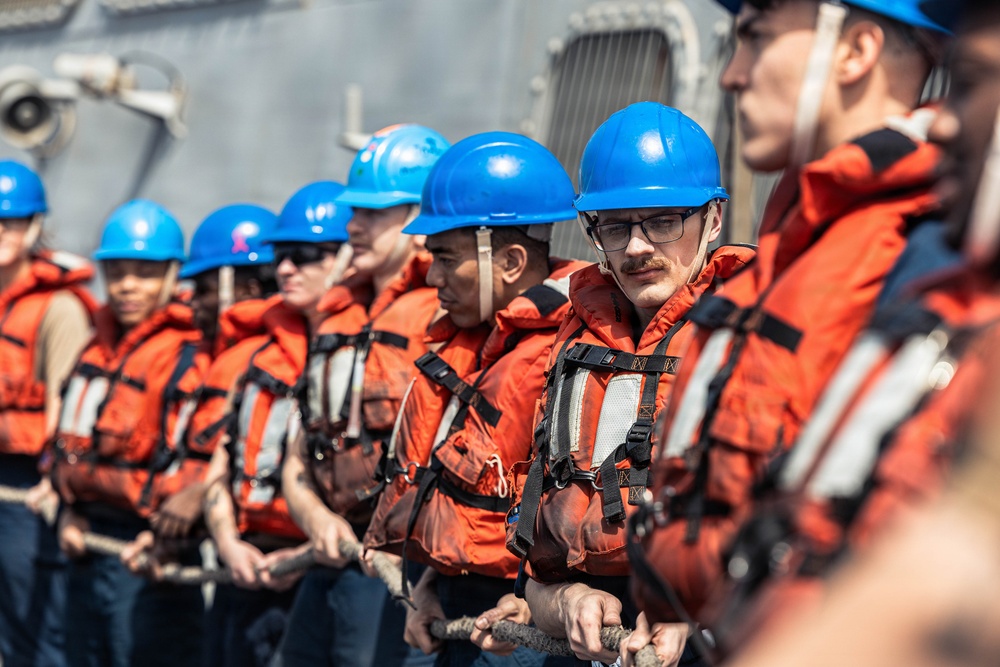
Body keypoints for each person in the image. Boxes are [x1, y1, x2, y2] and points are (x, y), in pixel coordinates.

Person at [626, 0, 995, 663]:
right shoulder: (797, 240)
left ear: (854, 51)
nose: (733, 75)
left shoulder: (927, 252)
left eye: (757, 40)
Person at [500, 102, 754, 665]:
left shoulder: (753, 341)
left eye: (663, 221)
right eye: (615, 227)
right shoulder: (571, 341)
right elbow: (535, 576)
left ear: (713, 220)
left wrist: (693, 607)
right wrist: (565, 598)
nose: (637, 247)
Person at [362, 131, 588, 667]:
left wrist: (532, 602)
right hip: (447, 602)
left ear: (509, 262)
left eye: (445, 259)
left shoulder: (564, 356)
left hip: (518, 624)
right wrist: (427, 586)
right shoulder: (480, 345)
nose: (432, 276)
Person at [276, 123, 449, 667]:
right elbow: (298, 456)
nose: (355, 226)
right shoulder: (336, 315)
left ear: (420, 217)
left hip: (400, 570)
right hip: (332, 553)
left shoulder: (444, 317)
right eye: (355, 212)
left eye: (373, 213)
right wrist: (316, 520)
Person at [200, 182, 353, 667]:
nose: (285, 268)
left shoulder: (374, 360)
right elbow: (220, 465)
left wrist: (307, 550)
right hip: (245, 564)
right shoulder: (258, 358)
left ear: (347, 258)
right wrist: (228, 543)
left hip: (328, 569)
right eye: (281, 255)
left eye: (306, 254)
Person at [51, 199, 204, 667]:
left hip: (149, 552)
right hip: (85, 542)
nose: (127, 286)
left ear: (173, 275)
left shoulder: (188, 353)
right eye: (117, 272)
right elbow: (65, 440)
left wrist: (169, 538)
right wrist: (68, 509)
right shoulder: (96, 348)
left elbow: (195, 452)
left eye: (145, 272)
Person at [119, 203, 279, 573]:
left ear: (247, 290)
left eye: (204, 290)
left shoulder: (274, 361)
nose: (193, 304)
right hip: (184, 536)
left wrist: (202, 494)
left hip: (255, 552)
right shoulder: (205, 357)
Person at [0, 159, 95, 667]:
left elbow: (67, 401)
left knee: (34, 627)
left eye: (9, 222)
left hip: (27, 487)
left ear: (35, 227)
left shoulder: (58, 309)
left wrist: (54, 477)